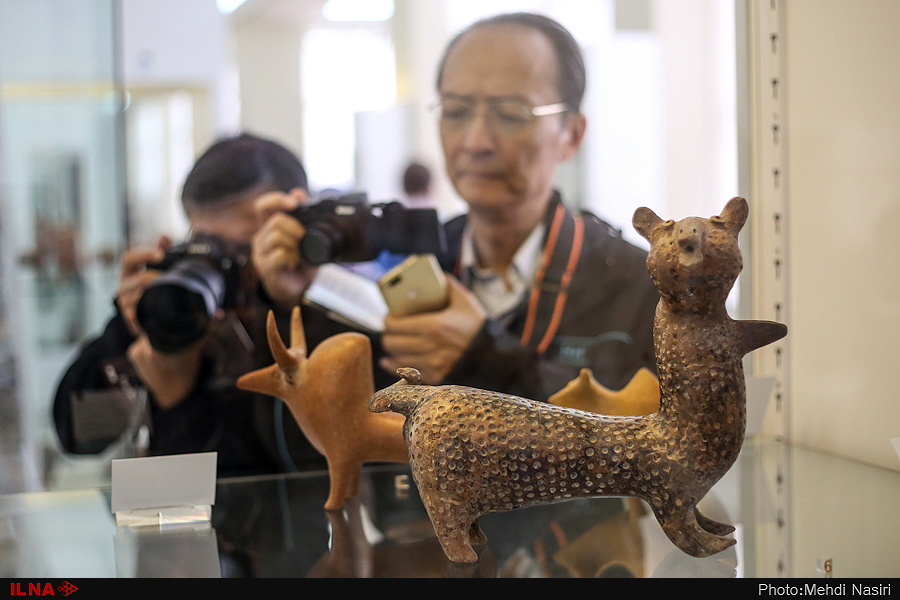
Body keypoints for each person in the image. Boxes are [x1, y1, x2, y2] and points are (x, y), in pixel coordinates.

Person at [52, 133, 391, 476]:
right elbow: (77, 436)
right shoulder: (179, 303)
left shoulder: (336, 320)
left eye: (244, 250)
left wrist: (178, 402)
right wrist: (130, 325)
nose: (223, 268)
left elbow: (309, 475)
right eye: (205, 244)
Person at [379, 13, 659, 402]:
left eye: (510, 114)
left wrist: (485, 357)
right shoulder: (420, 266)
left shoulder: (641, 290)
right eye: (456, 111)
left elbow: (648, 440)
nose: (476, 142)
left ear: (572, 135)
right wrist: (280, 297)